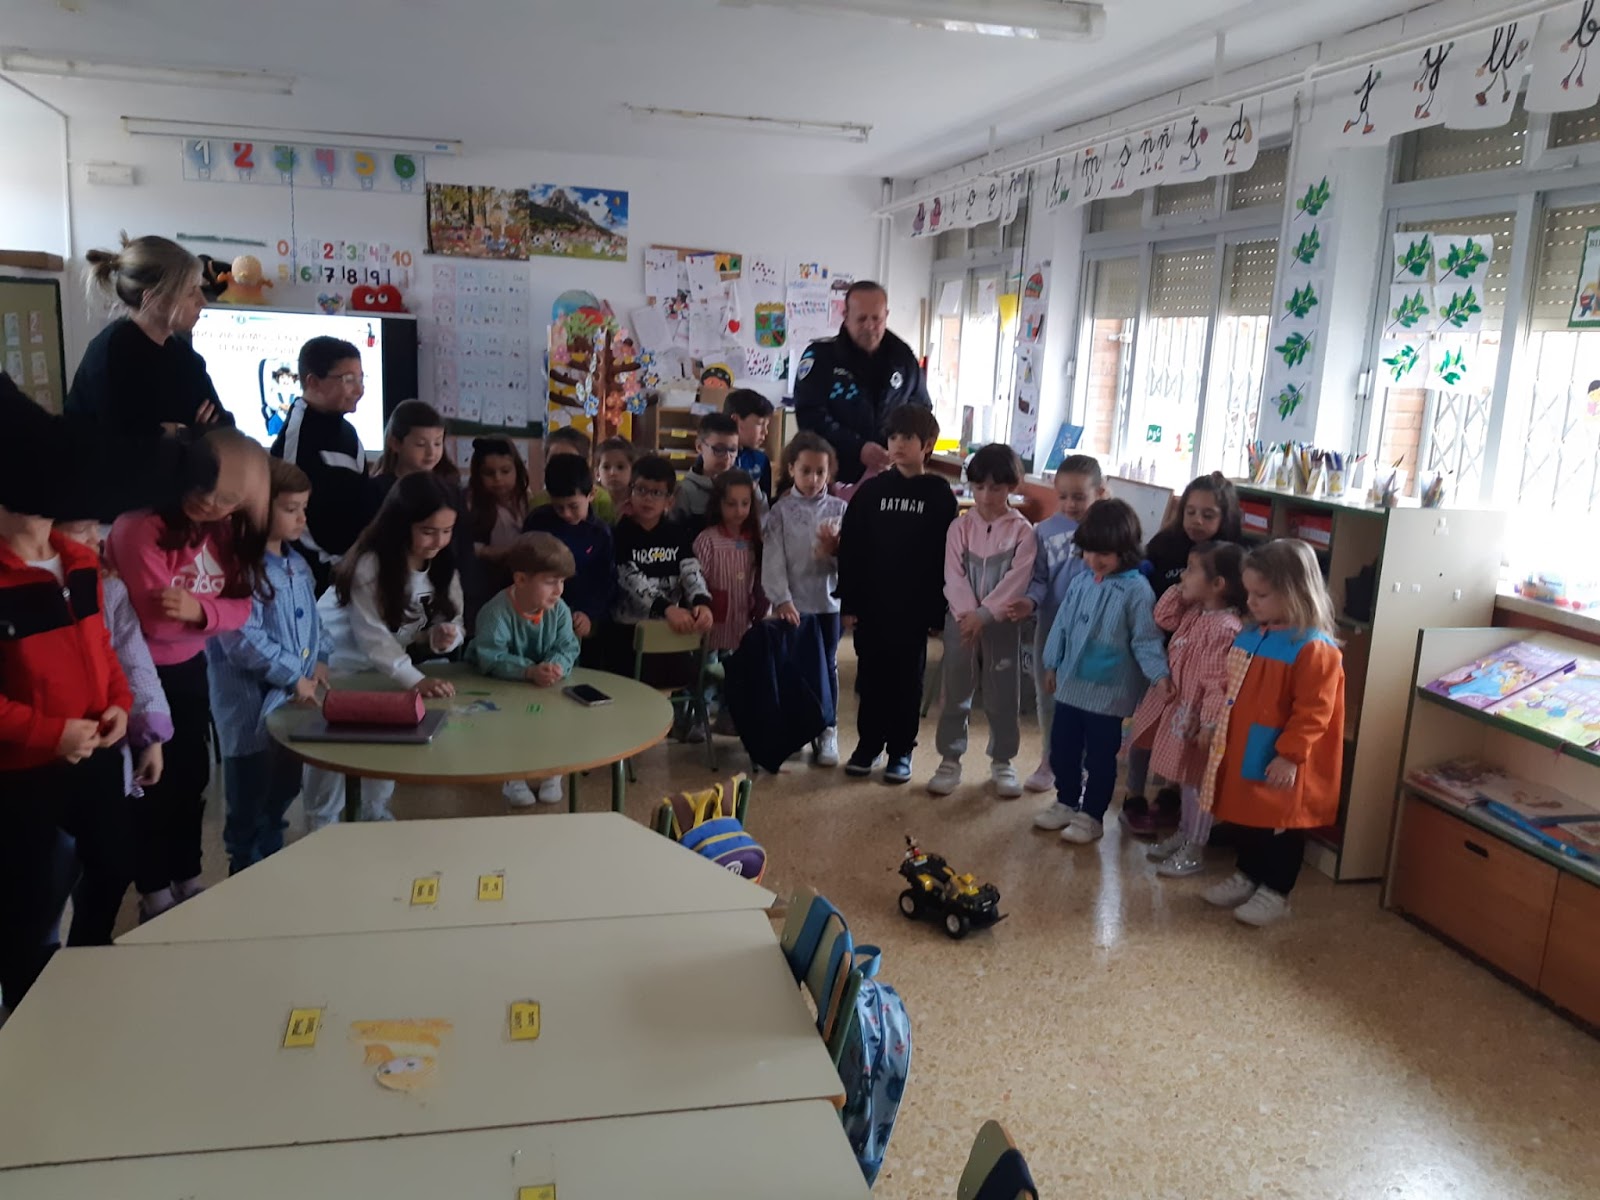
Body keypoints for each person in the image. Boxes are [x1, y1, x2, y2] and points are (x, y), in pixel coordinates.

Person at [105, 427, 264, 921]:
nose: (212, 504)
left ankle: (187, 877)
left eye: (229, 499)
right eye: (208, 487)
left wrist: (198, 610)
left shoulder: (227, 530)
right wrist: (211, 614)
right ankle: (153, 890)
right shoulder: (138, 527)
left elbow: (244, 607)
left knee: (191, 779)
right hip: (138, 676)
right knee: (151, 783)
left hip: (192, 668)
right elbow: (154, 621)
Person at [0, 473, 134, 1012]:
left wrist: (120, 702)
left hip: (95, 751)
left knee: (115, 861)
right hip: (22, 772)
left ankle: (83, 967)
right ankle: (26, 1007)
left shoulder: (79, 561)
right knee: (28, 901)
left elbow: (101, 646)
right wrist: (50, 734)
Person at [1199, 539, 1344, 927]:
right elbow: (1229, 687)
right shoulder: (1252, 634)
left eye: (1261, 595)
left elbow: (1315, 711)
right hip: (1247, 746)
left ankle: (1276, 891)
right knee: (1249, 815)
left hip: (1283, 756)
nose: (1251, 602)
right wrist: (1214, 724)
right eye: (1249, 593)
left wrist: (1290, 755)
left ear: (1295, 593)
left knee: (1279, 824)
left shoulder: (1313, 648)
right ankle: (1248, 874)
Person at [305, 474, 464, 826]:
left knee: (388, 741)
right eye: (428, 531)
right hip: (337, 669)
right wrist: (415, 679)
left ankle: (373, 811)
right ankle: (322, 822)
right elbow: (373, 637)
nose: (438, 541)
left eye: (447, 530)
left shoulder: (442, 563)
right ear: (400, 524)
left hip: (385, 669)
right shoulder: (370, 565)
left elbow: (454, 619)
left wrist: (443, 637)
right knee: (333, 748)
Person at [204, 459, 326, 875]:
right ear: (257, 508)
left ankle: (270, 871)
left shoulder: (298, 564)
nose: (301, 518)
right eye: (291, 509)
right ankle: (246, 876)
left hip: (294, 708)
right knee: (249, 805)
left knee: (281, 795)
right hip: (248, 713)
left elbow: (314, 620)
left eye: (303, 508)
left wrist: (321, 657)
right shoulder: (237, 568)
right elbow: (241, 639)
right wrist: (293, 675)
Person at [1032, 498, 1169, 846]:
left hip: (1109, 694)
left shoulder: (1137, 590)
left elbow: (1146, 640)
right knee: (1062, 749)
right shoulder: (1081, 581)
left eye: (1104, 553)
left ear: (1125, 550)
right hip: (1070, 686)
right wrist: (1052, 663)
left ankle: (1091, 816)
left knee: (1100, 759)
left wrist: (1159, 675)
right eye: (1089, 551)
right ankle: (1066, 801)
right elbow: (1061, 624)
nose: (1095, 560)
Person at [68, 235, 232, 522]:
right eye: (190, 292)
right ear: (153, 299)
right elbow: (121, 446)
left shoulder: (182, 353)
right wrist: (188, 433)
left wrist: (178, 432)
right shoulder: (112, 352)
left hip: (176, 506)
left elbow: (223, 426)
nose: (202, 301)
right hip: (117, 517)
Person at [836, 404, 956, 785]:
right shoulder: (872, 491)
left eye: (907, 437)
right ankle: (868, 745)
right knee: (871, 678)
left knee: (907, 682)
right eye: (893, 437)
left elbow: (945, 556)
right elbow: (851, 548)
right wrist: (849, 601)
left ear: (928, 444)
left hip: (913, 610)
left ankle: (901, 750)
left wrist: (938, 611)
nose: (898, 444)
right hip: (873, 605)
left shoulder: (939, 494)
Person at [1127, 471, 1244, 834]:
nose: (1197, 521)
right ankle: (1134, 796)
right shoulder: (1165, 545)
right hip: (1162, 656)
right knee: (1146, 728)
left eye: (1208, 515)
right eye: (1190, 512)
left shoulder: (1232, 558)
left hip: (1198, 670)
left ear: (1225, 517)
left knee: (1182, 741)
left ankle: (1171, 800)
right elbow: (1158, 615)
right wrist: (1181, 588)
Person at [1130, 542, 1246, 878]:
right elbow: (1163, 617)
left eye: (1191, 570)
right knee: (1184, 780)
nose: (1182, 575)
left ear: (1218, 584)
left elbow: (1217, 683)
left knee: (1197, 784)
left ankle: (1196, 846)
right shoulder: (1196, 612)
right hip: (1181, 710)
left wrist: (1209, 724)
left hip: (1197, 718)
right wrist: (1180, 591)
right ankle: (1184, 832)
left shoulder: (1224, 627)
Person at [928, 444, 1037, 799]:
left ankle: (1002, 761)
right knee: (955, 690)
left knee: (1003, 693)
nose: (987, 496)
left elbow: (1017, 580)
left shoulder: (1023, 532)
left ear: (1011, 487)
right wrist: (967, 615)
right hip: (961, 622)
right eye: (979, 487)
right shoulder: (959, 528)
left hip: (1000, 624)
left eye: (996, 488)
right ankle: (949, 759)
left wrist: (985, 614)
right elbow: (953, 576)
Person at [53, 519, 170, 801]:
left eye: (96, 528)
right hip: (43, 748)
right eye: (82, 529)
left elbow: (134, 664)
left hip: (104, 741)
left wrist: (152, 737)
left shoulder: (110, 590)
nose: (97, 539)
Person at [1011, 455, 1104, 793]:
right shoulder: (1044, 531)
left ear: (1099, 493)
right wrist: (1029, 601)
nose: (1070, 504)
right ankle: (1049, 760)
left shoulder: (1109, 532)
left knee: (1086, 698)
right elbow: (1038, 578)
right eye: (1063, 496)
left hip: (1095, 631)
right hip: (1051, 626)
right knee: (1047, 695)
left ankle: (1080, 763)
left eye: (1079, 496)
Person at [467, 532, 579, 808]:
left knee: (556, 722)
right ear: (520, 580)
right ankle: (513, 776)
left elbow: (567, 646)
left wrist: (556, 666)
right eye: (550, 582)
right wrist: (529, 671)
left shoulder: (559, 610)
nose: (558, 590)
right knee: (508, 728)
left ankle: (553, 771)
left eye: (562, 582)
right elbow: (490, 657)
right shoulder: (496, 613)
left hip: (545, 686)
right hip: (501, 686)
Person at [762, 431, 848, 767]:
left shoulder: (840, 509)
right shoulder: (780, 512)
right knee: (793, 665)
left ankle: (827, 728)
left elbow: (852, 562)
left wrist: (834, 551)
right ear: (791, 469)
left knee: (827, 665)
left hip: (828, 604)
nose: (813, 479)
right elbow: (773, 558)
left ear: (830, 473)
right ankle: (797, 727)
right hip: (793, 605)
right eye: (806, 471)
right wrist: (781, 599)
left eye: (820, 472)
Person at [794, 280, 931, 486]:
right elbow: (809, 416)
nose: (869, 326)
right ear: (846, 316)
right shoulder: (821, 357)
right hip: (832, 477)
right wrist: (858, 448)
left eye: (876, 318)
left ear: (886, 315)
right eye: (861, 318)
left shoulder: (903, 358)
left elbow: (921, 411)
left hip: (892, 476)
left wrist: (901, 448)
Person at [272, 336, 380, 585]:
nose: (359, 390)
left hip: (354, 570)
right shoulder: (298, 433)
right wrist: (331, 566)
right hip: (317, 575)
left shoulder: (349, 433)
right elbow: (289, 509)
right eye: (348, 380)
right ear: (313, 382)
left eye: (361, 379)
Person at [609, 454, 713, 696]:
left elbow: (691, 570)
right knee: (633, 694)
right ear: (630, 493)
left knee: (676, 685)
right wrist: (667, 608)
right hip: (629, 634)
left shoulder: (677, 533)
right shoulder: (620, 534)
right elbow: (630, 578)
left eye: (656, 493)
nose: (648, 498)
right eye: (641, 490)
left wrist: (701, 601)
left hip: (670, 631)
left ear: (670, 500)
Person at [523, 453, 614, 666]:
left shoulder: (600, 533)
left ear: (591, 494)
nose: (565, 514)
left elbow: (605, 581)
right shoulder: (538, 521)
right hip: (539, 618)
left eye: (573, 506)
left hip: (582, 622)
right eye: (558, 507)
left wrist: (589, 613)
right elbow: (524, 568)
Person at [693, 468, 766, 663]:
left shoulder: (755, 540)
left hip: (743, 625)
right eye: (731, 504)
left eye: (745, 503)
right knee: (708, 671)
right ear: (719, 503)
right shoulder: (707, 540)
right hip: (712, 627)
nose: (739, 511)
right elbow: (697, 580)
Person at [464, 436, 531, 629]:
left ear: (517, 470)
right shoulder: (470, 502)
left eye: (505, 471)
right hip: (485, 581)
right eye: (489, 473)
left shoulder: (526, 499)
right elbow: (463, 543)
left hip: (519, 579)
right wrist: (492, 552)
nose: (498, 479)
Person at [673, 412, 744, 532]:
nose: (727, 457)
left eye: (733, 450)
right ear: (699, 447)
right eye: (719, 449)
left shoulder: (746, 486)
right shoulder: (685, 490)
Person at [531, 427, 616, 523]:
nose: (562, 467)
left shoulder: (602, 501)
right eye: (555, 460)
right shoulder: (537, 503)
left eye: (571, 460)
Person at [373, 400, 458, 492]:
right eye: (421, 444)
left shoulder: (447, 485)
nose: (431, 452)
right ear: (396, 444)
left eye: (437, 443)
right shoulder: (378, 488)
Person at [724, 388, 775, 499]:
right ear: (735, 420)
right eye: (760, 423)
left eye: (766, 425)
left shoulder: (761, 460)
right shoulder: (715, 457)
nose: (765, 432)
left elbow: (765, 502)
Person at [596, 436, 635, 522]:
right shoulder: (591, 501)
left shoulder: (638, 502)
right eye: (606, 467)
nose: (613, 473)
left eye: (620, 467)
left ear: (632, 471)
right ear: (597, 473)